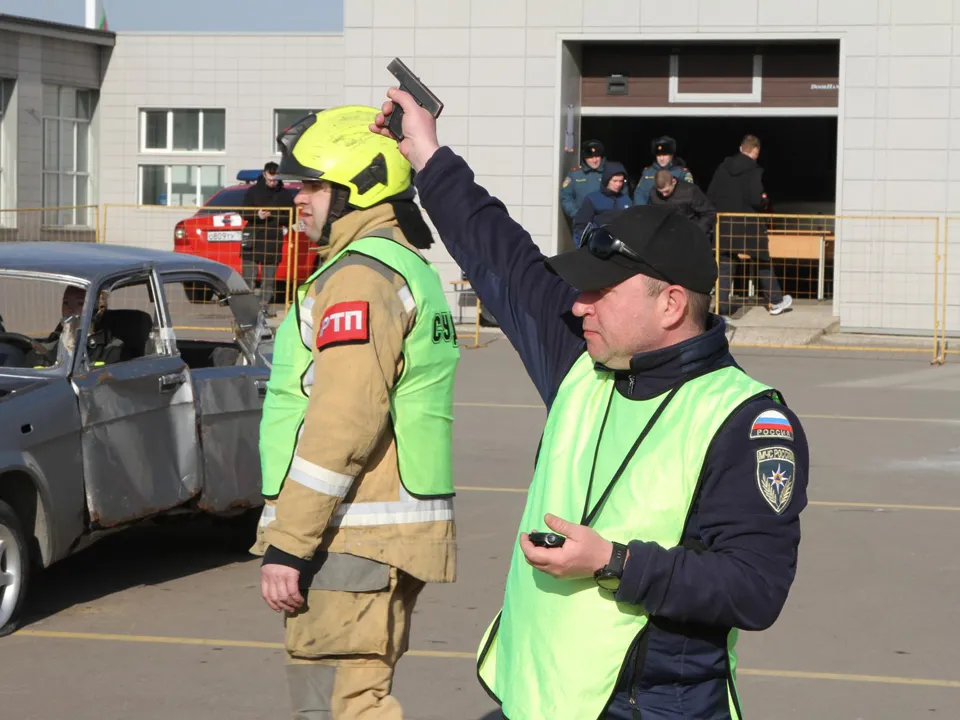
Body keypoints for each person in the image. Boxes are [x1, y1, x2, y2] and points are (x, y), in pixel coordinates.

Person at [371, 88, 810, 720]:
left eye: (601, 291)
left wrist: (613, 562)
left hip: (647, 707)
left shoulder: (746, 421)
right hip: (534, 699)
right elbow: (503, 257)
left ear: (671, 304)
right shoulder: (585, 362)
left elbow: (753, 588)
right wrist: (430, 158)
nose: (580, 305)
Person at [256, 105, 460, 720]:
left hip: (352, 534)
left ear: (359, 185)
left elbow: (343, 420)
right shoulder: (397, 267)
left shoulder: (358, 279)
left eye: (314, 184)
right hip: (369, 533)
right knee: (338, 702)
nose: (299, 197)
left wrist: (290, 543)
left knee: (344, 706)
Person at [707, 135, 792, 316]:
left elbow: (711, 195)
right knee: (762, 262)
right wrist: (764, 200)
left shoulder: (722, 168)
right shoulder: (754, 170)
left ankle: (721, 308)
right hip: (749, 225)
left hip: (725, 225)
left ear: (740, 148)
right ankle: (776, 301)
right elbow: (755, 198)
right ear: (755, 151)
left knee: (725, 265)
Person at [242, 161, 296, 315]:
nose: (273, 182)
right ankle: (248, 309)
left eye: (276, 179)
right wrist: (257, 215)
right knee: (248, 278)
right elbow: (243, 211)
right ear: (265, 174)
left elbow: (292, 217)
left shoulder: (285, 194)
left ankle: (263, 308)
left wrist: (274, 216)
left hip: (273, 240)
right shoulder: (253, 191)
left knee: (268, 279)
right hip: (252, 238)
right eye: (270, 179)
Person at [571, 161, 632, 247]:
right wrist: (583, 247)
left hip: (621, 246)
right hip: (598, 245)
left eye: (621, 181)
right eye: (615, 181)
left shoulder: (626, 200)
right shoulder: (592, 199)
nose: (618, 184)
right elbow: (580, 226)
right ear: (607, 180)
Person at [648, 168, 717, 237]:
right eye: (661, 192)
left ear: (673, 182)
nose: (664, 195)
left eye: (666, 191)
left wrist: (696, 231)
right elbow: (653, 216)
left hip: (690, 235)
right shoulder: (654, 193)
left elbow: (709, 212)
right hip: (666, 236)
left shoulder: (689, 191)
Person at [633, 135, 694, 206]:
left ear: (672, 155)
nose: (661, 158)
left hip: (674, 213)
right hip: (651, 214)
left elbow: (689, 195)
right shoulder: (648, 172)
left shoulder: (682, 173)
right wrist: (643, 212)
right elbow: (640, 194)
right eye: (658, 155)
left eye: (664, 155)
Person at [560, 139, 605, 219]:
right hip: (582, 223)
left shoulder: (609, 172)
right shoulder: (575, 174)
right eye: (590, 157)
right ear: (584, 158)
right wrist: (576, 214)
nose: (594, 160)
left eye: (597, 156)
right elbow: (566, 197)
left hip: (605, 221)